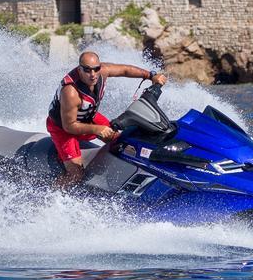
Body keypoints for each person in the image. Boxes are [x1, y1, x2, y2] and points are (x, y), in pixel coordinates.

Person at [46, 51, 167, 189]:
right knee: (76, 175)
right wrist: (97, 129)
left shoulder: (102, 72)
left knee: (121, 140)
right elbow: (69, 126)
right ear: (79, 70)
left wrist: (150, 75)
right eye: (87, 70)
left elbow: (125, 70)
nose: (92, 74)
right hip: (63, 128)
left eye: (96, 69)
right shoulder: (71, 92)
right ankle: (50, 192)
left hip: (88, 117)